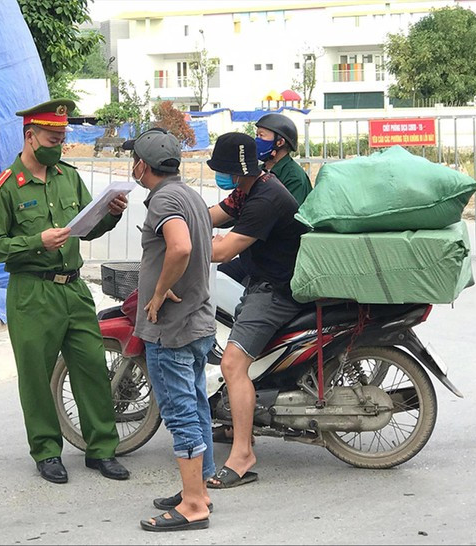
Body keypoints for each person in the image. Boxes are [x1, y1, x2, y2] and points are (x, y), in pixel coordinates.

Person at [0, 99, 130, 484]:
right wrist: (35, 242)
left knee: (92, 368)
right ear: (31, 137)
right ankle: (47, 451)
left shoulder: (68, 176)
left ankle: (101, 450)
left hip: (74, 289)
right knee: (36, 376)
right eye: (53, 138)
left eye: (63, 138)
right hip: (32, 294)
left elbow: (87, 227)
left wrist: (110, 213)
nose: (59, 145)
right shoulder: (4, 188)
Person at [205, 133, 308, 489]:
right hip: (261, 281)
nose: (223, 176)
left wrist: (181, 244)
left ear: (236, 171)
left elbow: (222, 251)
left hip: (275, 291)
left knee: (232, 363)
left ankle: (243, 454)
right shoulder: (250, 188)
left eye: (224, 170)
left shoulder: (265, 198)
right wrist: (176, 221)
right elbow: (213, 215)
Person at [125, 128, 217, 532]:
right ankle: (200, 490)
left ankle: (194, 504)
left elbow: (180, 248)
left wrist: (159, 294)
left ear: (142, 166)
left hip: (172, 331)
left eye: (134, 161)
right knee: (196, 407)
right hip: (198, 323)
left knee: (181, 416)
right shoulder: (191, 195)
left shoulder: (164, 199)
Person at [217, 113, 312, 288]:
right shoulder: (257, 174)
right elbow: (229, 209)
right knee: (219, 276)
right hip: (252, 256)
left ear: (279, 142)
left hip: (277, 264)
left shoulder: (292, 177)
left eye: (261, 135)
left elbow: (272, 218)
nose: (256, 140)